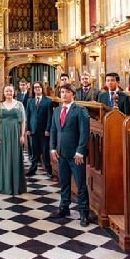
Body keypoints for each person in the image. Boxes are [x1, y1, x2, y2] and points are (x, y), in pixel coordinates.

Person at [50, 83, 90, 227]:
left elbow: (84, 132)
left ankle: (84, 213)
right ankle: (64, 208)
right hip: (61, 154)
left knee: (80, 184)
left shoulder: (80, 110)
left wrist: (80, 150)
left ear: (73, 94)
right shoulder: (56, 111)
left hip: (76, 154)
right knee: (64, 183)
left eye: (67, 92)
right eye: (62, 92)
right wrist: (53, 149)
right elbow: (53, 130)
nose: (64, 94)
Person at [0, 84, 27, 195]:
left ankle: (16, 186)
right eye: (6, 91)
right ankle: (4, 185)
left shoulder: (19, 104)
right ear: (3, 93)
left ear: (14, 92)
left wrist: (22, 135)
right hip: (3, 133)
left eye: (10, 91)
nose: (8, 93)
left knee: (15, 156)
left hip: (15, 132)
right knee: (4, 157)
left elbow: (23, 121)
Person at [26, 81, 53, 177]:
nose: (37, 89)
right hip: (33, 130)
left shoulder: (48, 101)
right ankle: (33, 169)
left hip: (44, 131)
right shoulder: (30, 101)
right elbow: (28, 115)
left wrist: (48, 129)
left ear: (42, 89)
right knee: (34, 151)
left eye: (39, 87)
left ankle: (48, 170)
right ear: (33, 90)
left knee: (45, 152)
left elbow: (50, 117)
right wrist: (28, 128)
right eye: (35, 87)